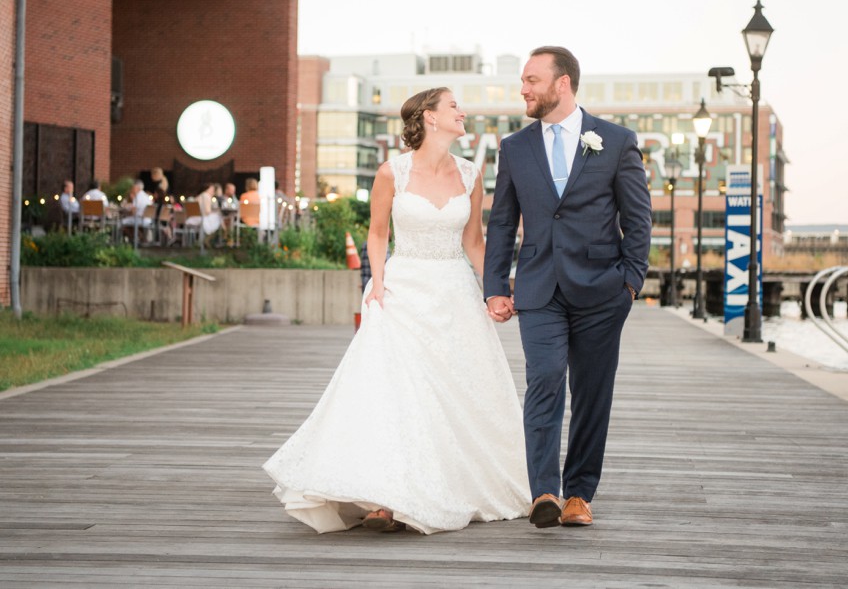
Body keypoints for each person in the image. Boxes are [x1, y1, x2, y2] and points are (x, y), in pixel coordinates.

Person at [263, 87, 530, 535]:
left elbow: (473, 241)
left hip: (455, 294)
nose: (462, 113)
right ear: (429, 117)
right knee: (396, 393)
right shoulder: (392, 172)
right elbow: (378, 233)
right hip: (403, 292)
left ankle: (444, 483)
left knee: (453, 393)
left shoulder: (470, 174)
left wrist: (495, 291)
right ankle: (385, 498)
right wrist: (379, 283)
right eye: (453, 107)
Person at [484, 46, 652, 529]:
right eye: (523, 80)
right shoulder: (515, 147)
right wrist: (495, 284)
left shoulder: (616, 141)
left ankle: (579, 493)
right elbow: (502, 223)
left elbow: (638, 218)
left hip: (603, 290)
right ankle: (544, 492)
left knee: (592, 392)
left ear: (562, 84)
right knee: (545, 378)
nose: (524, 89)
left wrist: (631, 281)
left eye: (532, 80)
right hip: (538, 289)